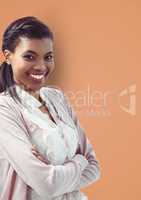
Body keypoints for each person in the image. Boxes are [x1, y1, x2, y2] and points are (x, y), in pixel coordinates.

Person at [0, 16, 101, 200]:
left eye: (48, 57)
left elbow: (94, 167)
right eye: (29, 56)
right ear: (8, 56)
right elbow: (46, 185)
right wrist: (79, 161)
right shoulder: (4, 109)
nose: (41, 66)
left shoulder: (56, 97)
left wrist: (58, 174)